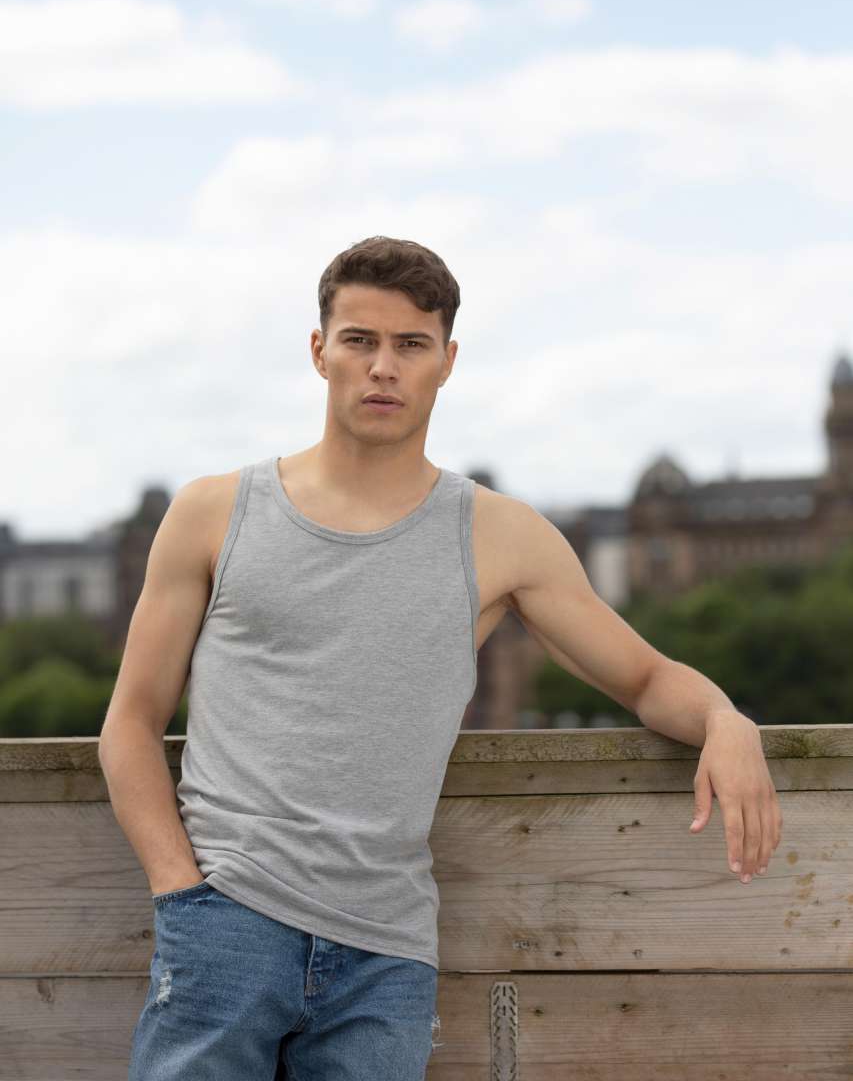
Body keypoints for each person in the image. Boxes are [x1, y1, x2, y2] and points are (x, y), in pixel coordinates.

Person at [99, 235, 782, 1080]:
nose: (383, 367)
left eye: (411, 344)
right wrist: (181, 892)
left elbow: (644, 677)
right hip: (225, 924)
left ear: (446, 362)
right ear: (319, 351)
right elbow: (130, 722)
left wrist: (723, 719)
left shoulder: (500, 535)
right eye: (359, 340)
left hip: (383, 955)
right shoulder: (213, 512)